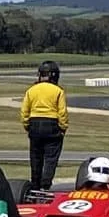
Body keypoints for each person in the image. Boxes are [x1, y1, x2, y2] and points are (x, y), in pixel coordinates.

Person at [20, 60, 68, 197]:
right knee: (51, 158)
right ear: (54, 76)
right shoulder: (58, 91)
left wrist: (27, 126)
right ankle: (45, 185)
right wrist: (63, 128)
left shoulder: (31, 90)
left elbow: (24, 111)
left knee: (35, 157)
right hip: (52, 125)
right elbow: (62, 112)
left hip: (34, 124)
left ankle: (35, 185)